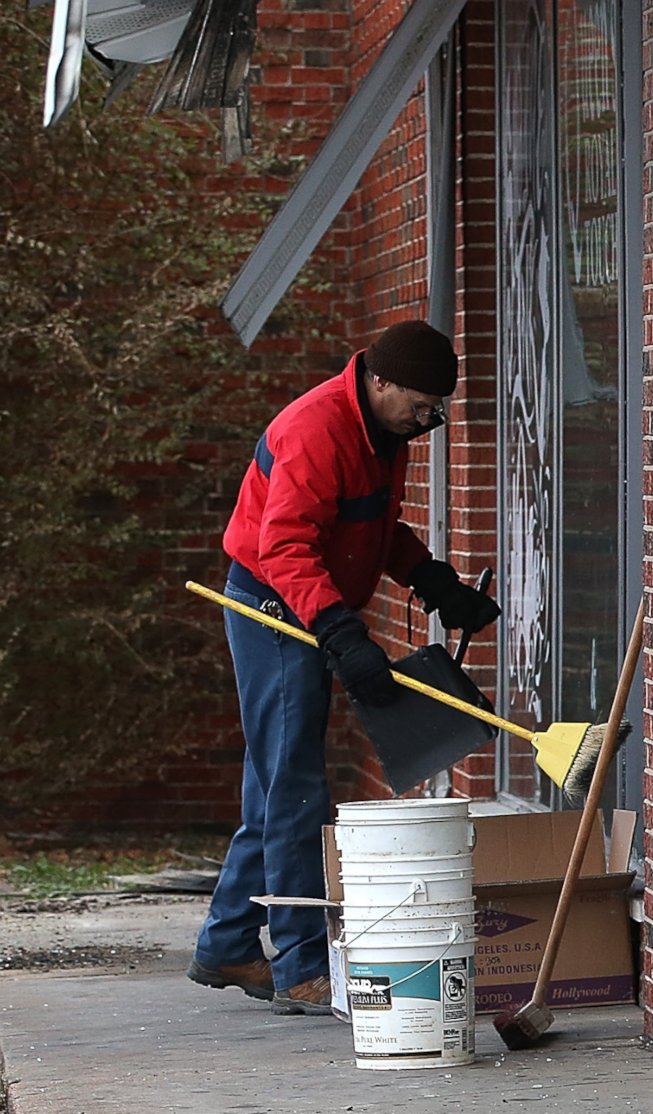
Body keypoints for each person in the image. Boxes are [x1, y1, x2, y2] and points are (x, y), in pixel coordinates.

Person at [187, 320, 501, 1015]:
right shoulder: (316, 429)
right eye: (419, 406)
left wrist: (436, 582)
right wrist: (338, 631)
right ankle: (300, 964)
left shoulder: (384, 435)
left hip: (308, 600)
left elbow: (374, 529)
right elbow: (286, 546)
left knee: (274, 783)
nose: (426, 422)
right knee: (296, 782)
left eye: (433, 412)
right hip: (273, 605)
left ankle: (228, 942)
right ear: (378, 380)